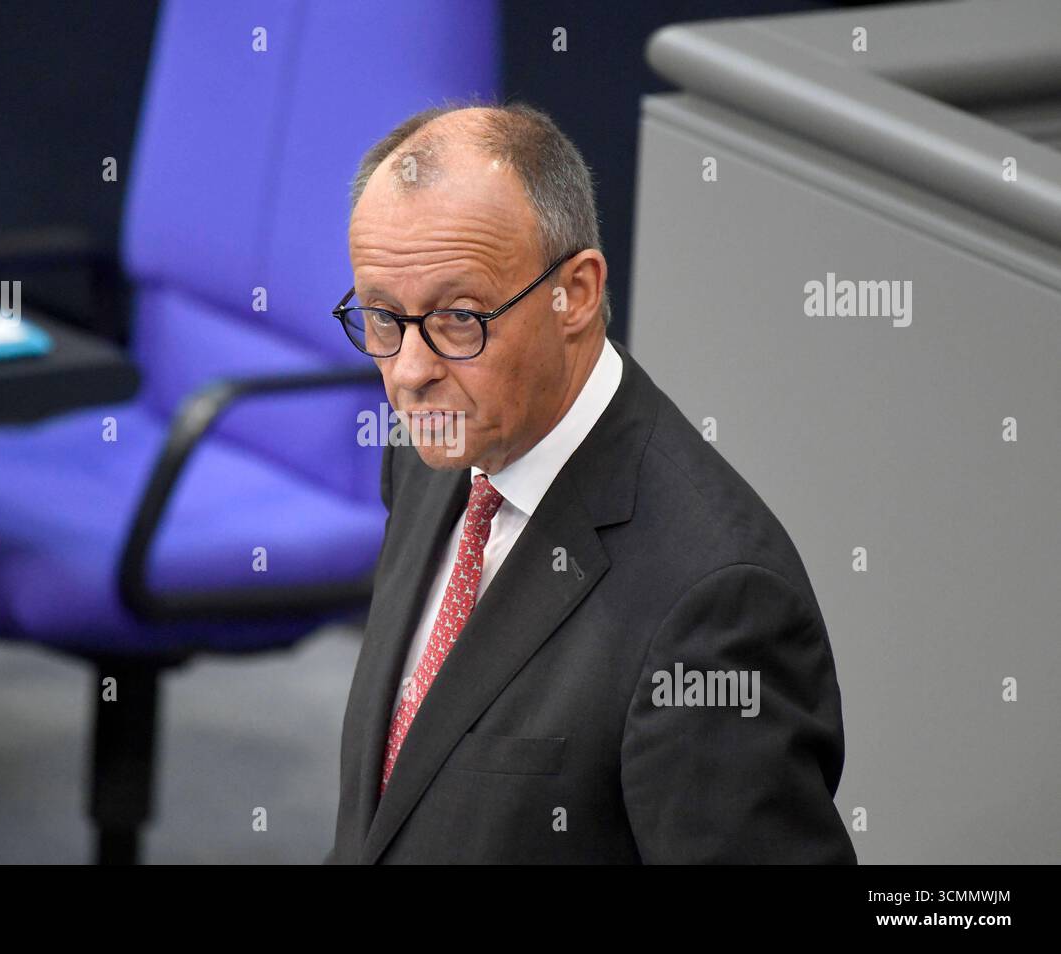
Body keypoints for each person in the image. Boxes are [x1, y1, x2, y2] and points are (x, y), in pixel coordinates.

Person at [324, 101, 856, 864]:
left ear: (573, 293)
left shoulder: (715, 603)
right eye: (381, 317)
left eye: (459, 318)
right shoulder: (434, 450)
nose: (410, 373)